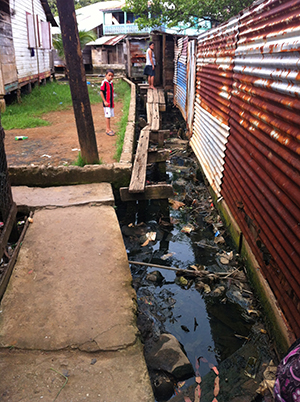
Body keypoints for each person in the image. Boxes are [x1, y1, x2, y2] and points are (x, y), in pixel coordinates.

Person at [100, 69, 115, 136]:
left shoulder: (111, 83)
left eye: (112, 76)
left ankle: (109, 128)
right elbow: (101, 92)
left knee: (110, 116)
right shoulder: (104, 83)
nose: (110, 77)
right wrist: (104, 101)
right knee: (107, 116)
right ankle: (107, 129)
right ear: (106, 75)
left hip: (111, 102)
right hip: (107, 103)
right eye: (109, 75)